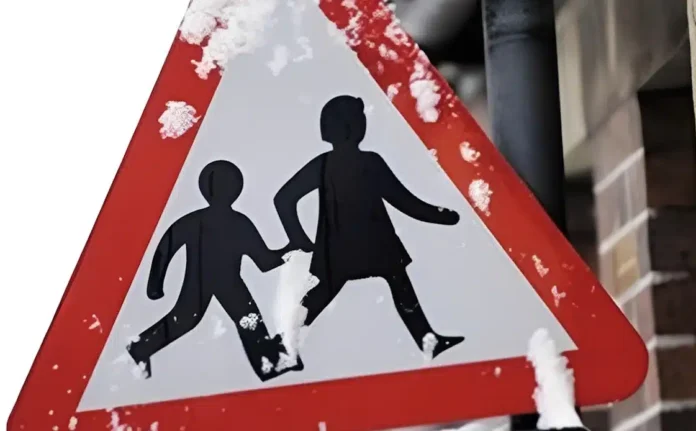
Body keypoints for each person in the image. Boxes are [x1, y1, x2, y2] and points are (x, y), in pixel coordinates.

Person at [273, 94, 465, 359]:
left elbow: (284, 199)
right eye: (360, 119)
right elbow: (404, 200)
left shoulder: (327, 164)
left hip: (345, 247)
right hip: (371, 244)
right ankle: (283, 343)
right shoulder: (365, 162)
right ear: (351, 126)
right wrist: (441, 215)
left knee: (385, 286)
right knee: (385, 286)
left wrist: (300, 239)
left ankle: (426, 339)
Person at [127, 160, 303, 382]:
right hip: (202, 282)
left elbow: (264, 261)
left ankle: (269, 363)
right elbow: (166, 247)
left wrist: (290, 250)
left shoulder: (232, 223)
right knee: (188, 319)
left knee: (246, 320)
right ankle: (140, 347)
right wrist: (154, 285)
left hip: (226, 283)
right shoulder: (220, 222)